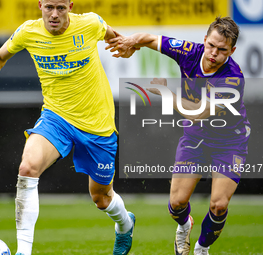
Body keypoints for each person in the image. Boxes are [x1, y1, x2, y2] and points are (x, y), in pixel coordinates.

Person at [0, 0, 136, 254]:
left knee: (101, 198)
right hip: (56, 118)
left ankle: (125, 224)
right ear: (40, 5)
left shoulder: (90, 24)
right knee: (27, 167)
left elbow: (116, 38)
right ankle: (23, 251)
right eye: (49, 7)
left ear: (70, 7)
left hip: (97, 123)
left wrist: (126, 46)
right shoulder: (28, 32)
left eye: (61, 8)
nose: (54, 14)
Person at [106, 16, 250, 255]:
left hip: (230, 142)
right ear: (205, 40)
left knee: (219, 204)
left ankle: (202, 248)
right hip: (196, 138)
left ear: (232, 50)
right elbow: (151, 39)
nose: (213, 53)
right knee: (176, 204)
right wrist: (129, 42)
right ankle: (185, 225)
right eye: (211, 45)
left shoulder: (232, 79)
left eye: (222, 50)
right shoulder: (189, 52)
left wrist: (166, 93)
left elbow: (198, 113)